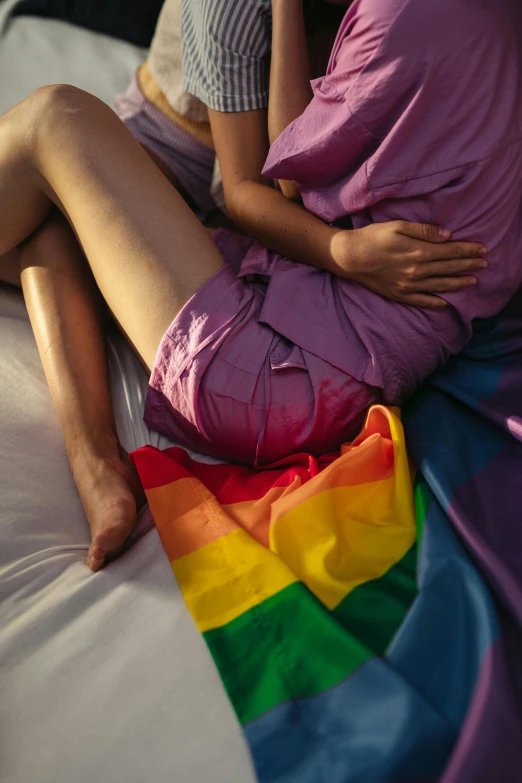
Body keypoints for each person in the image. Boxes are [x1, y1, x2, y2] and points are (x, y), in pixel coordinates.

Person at [1, 0, 518, 575]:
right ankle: (94, 458)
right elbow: (258, 183)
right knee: (57, 168)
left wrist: (340, 251)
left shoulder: (398, 22)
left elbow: (290, 175)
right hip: (260, 270)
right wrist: (340, 251)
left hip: (288, 362)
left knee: (54, 120)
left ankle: (94, 461)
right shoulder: (238, 14)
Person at [113, 0, 487, 308]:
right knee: (78, 229)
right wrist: (342, 252)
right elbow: (283, 180)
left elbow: (295, 175)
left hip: (261, 179)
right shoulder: (230, 8)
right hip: (174, 136)